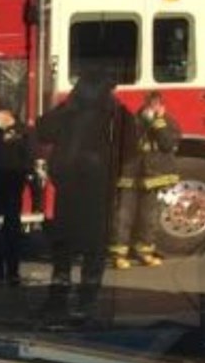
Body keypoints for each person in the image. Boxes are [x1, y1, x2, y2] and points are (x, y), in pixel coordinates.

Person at [34, 71, 136, 326]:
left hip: (96, 191)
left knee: (92, 249)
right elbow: (44, 130)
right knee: (64, 248)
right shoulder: (69, 113)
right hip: (69, 188)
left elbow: (130, 149)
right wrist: (66, 108)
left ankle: (86, 302)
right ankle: (58, 301)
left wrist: (103, 170)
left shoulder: (118, 116)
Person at [110, 91, 181, 269]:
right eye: (151, 103)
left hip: (153, 177)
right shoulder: (133, 122)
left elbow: (167, 144)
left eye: (156, 103)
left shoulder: (169, 122)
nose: (154, 106)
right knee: (123, 217)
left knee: (149, 217)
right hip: (130, 176)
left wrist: (157, 123)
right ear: (146, 103)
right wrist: (145, 121)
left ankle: (145, 252)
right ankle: (119, 254)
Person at [0, 101, 34, 286]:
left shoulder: (24, 132)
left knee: (11, 228)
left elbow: (28, 157)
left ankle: (12, 271)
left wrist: (23, 177)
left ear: (7, 113)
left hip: (11, 185)